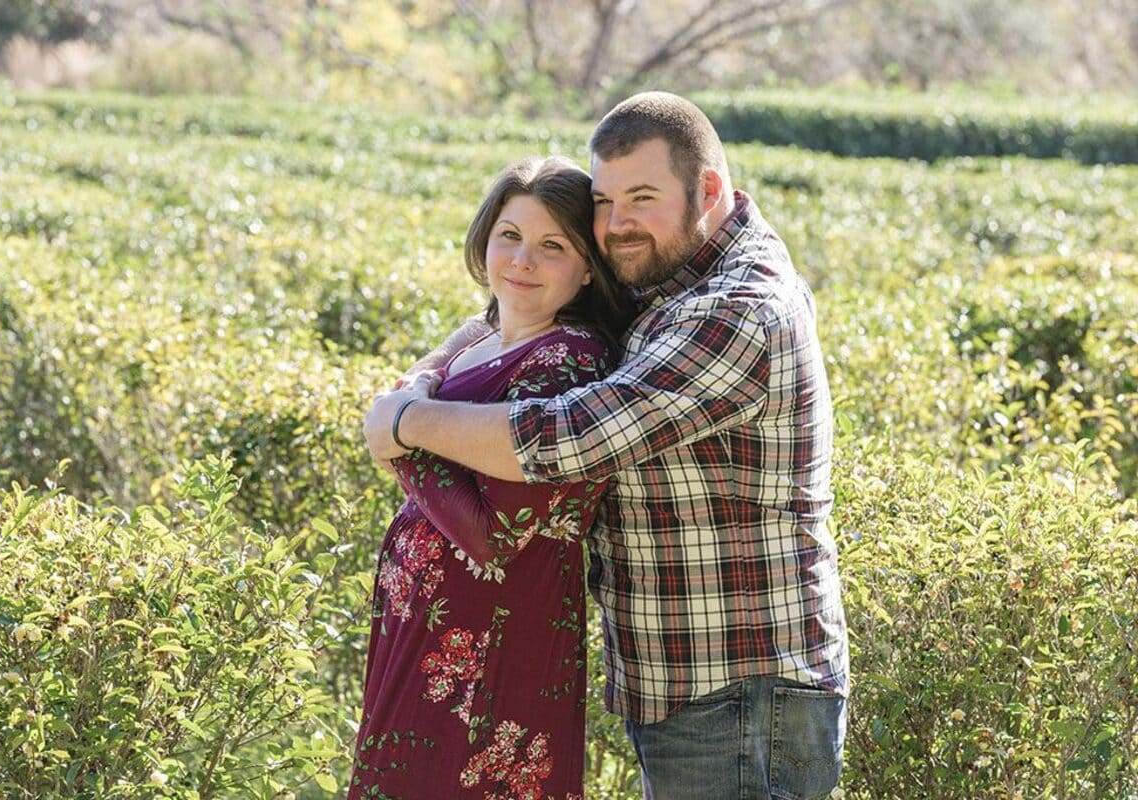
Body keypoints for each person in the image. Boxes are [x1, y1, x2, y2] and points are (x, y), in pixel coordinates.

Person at [364, 91, 849, 799]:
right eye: (604, 200)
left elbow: (570, 437)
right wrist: (429, 375)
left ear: (707, 189)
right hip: (693, 683)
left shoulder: (739, 309)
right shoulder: (676, 273)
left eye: (642, 198)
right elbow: (499, 324)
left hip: (742, 689)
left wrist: (406, 425)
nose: (617, 224)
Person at [347, 155, 635, 800]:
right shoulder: (488, 332)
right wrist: (414, 388)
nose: (522, 261)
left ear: (588, 268)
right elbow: (436, 364)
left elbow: (493, 534)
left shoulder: (567, 360)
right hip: (430, 628)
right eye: (510, 235)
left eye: (552, 246)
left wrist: (398, 440)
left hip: (492, 636)